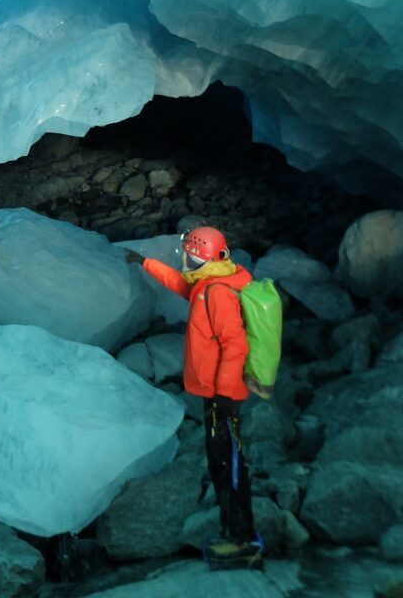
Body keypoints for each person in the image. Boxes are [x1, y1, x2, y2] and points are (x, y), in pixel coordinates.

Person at [123, 226, 264, 570]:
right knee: (221, 461)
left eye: (187, 253)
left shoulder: (216, 292)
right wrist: (146, 264)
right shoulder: (212, 280)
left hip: (222, 395)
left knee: (227, 465)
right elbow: (184, 287)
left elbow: (235, 344)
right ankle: (236, 533)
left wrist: (227, 395)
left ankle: (242, 541)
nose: (184, 258)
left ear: (199, 255)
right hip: (216, 392)